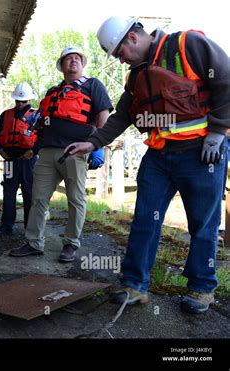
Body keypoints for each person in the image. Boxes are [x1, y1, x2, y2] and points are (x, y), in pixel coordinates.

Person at [65, 16, 230, 313]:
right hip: (159, 156)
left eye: (119, 54)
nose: (120, 61)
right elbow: (123, 115)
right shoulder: (136, 75)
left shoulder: (187, 45)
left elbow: (227, 81)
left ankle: (201, 288)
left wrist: (218, 132)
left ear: (132, 38)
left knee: (204, 224)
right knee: (144, 219)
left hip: (201, 153)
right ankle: (134, 284)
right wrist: (94, 142)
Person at [10, 46, 113, 262]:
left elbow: (104, 118)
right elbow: (41, 123)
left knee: (75, 199)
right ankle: (34, 242)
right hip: (47, 152)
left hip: (76, 151)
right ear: (61, 65)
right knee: (38, 199)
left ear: (82, 64)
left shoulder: (93, 85)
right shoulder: (52, 92)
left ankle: (71, 244)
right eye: (68, 59)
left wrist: (98, 146)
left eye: (77, 58)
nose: (73, 61)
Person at [0, 82, 39, 236]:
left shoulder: (36, 116)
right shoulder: (6, 115)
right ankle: (6, 227)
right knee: (9, 192)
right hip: (10, 161)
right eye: (17, 101)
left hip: (28, 162)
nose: (20, 104)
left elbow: (43, 137)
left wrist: (34, 151)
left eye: (23, 101)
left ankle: (30, 229)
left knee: (29, 194)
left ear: (29, 100)